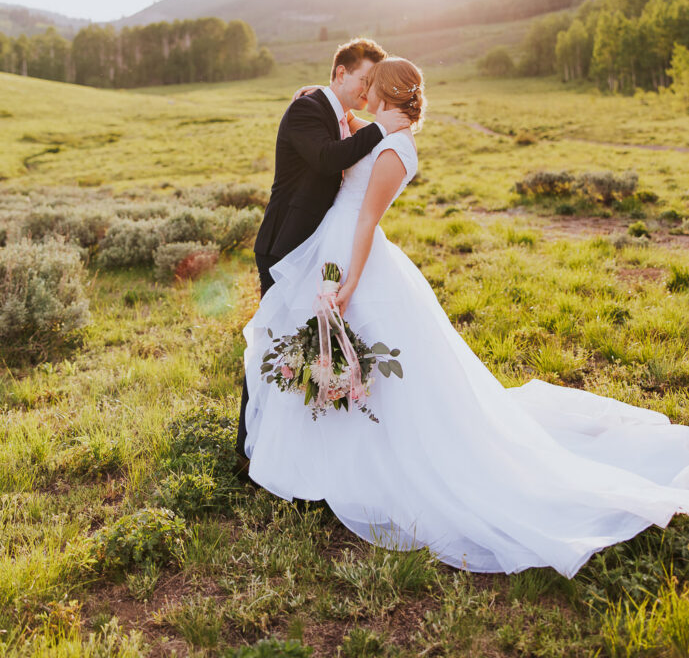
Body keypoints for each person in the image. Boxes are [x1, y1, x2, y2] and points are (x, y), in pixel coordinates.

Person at [241, 56, 689, 578]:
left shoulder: (394, 149)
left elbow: (366, 218)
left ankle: (362, 462)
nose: (362, 97)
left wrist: (351, 281)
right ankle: (319, 455)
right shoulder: (383, 131)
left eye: (370, 88)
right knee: (324, 344)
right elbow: (352, 132)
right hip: (330, 243)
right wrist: (330, 103)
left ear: (385, 94)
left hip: (352, 252)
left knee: (360, 351)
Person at [235, 38, 411, 464]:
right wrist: (383, 126)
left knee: (305, 347)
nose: (368, 91)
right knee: (273, 342)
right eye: (363, 80)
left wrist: (361, 117)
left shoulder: (336, 112)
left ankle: (305, 449)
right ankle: (248, 448)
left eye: (375, 84)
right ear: (340, 73)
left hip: (318, 251)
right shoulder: (307, 109)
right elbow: (329, 159)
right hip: (284, 247)